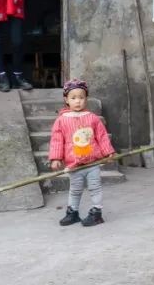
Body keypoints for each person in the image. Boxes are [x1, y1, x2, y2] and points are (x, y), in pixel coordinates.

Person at [49, 78, 115, 227]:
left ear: (86, 99)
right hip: (74, 164)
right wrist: (56, 158)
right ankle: (73, 213)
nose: (77, 101)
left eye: (81, 97)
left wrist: (108, 152)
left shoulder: (93, 118)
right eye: (73, 98)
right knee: (75, 190)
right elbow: (57, 140)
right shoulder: (61, 120)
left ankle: (97, 213)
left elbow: (102, 136)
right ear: (66, 100)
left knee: (95, 187)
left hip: (93, 163)